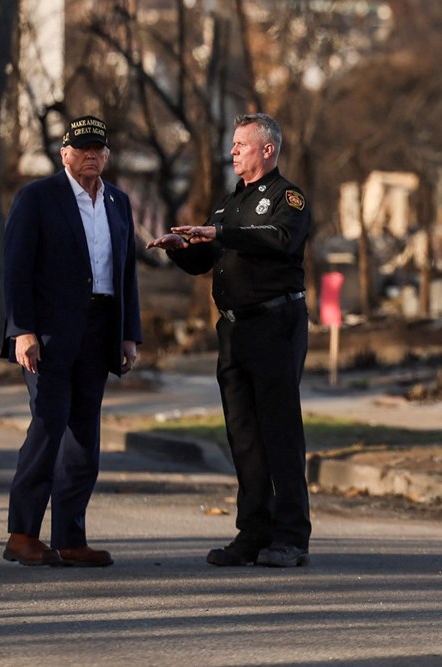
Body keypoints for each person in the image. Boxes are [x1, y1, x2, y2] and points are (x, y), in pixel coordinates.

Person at [147, 113, 312, 568]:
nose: (233, 151)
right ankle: (252, 533)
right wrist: (184, 251)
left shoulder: (287, 199)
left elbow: (278, 240)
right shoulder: (228, 204)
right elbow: (209, 261)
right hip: (234, 330)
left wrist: (219, 233)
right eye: (234, 144)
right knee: (243, 436)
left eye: (241, 144)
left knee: (279, 432)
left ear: (268, 149)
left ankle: (291, 537)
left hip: (276, 324)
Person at [1, 115, 142, 568]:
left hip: (100, 328)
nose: (91, 156)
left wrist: (128, 334)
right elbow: (16, 270)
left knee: (84, 436)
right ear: (64, 154)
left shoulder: (118, 202)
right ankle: (22, 533)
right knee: (48, 427)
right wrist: (21, 329)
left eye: (99, 149)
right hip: (48, 334)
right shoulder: (38, 198)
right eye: (82, 149)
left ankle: (70, 538)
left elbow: (127, 273)